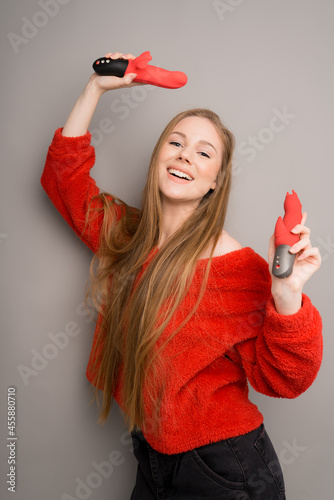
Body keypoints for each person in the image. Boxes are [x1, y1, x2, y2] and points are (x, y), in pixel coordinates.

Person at [41, 52, 323, 500]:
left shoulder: (237, 268)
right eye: (175, 143)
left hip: (225, 468)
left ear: (215, 181)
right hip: (153, 454)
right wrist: (95, 88)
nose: (185, 156)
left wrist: (286, 295)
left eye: (203, 152)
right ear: (157, 158)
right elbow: (65, 182)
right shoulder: (130, 237)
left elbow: (286, 379)